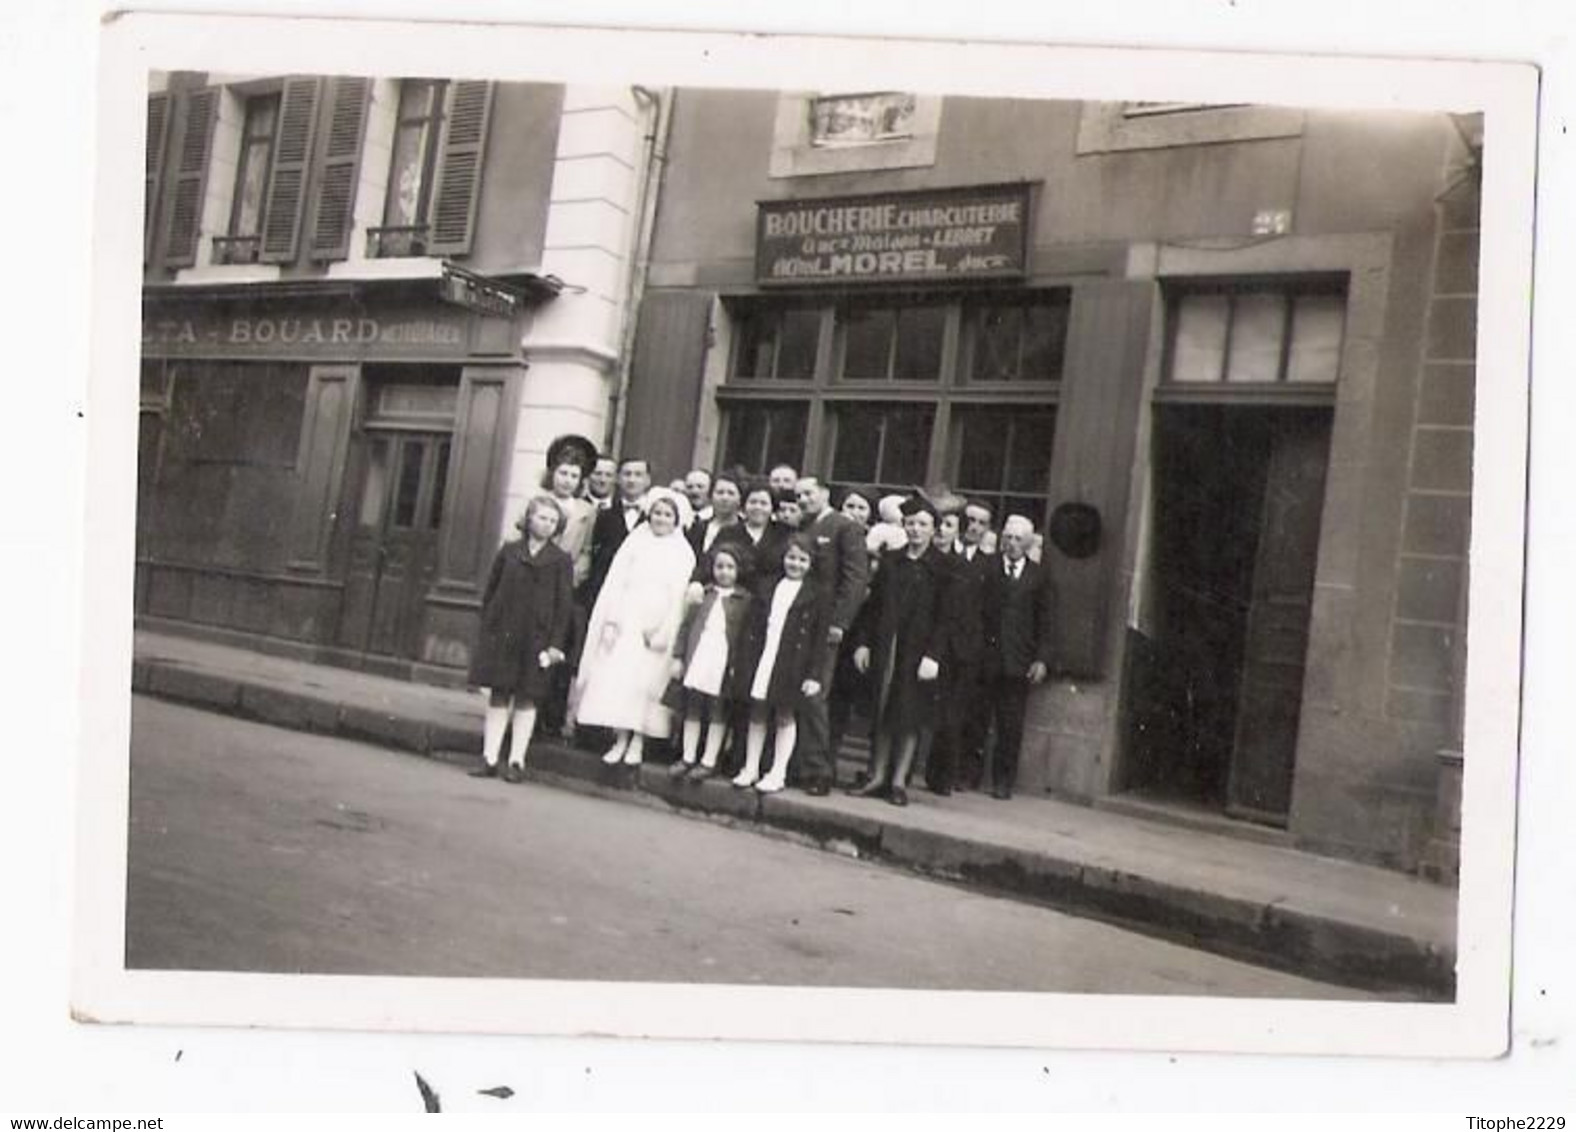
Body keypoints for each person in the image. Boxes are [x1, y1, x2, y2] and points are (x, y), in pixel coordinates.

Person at [575, 489, 696, 766]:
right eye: (657, 513)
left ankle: (638, 742)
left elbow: (679, 597)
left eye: (667, 515)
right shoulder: (635, 542)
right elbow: (617, 583)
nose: (661, 519)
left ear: (676, 519)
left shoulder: (682, 551)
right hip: (628, 618)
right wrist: (612, 620)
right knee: (622, 679)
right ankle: (620, 738)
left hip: (657, 623)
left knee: (647, 683)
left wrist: (664, 630)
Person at [850, 496, 953, 806]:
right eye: (910, 524)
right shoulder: (892, 561)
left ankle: (898, 781)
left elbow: (947, 616)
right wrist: (864, 643)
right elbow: (873, 607)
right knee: (883, 710)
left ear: (933, 529)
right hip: (887, 646)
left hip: (918, 652)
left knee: (909, 714)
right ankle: (878, 775)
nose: (916, 530)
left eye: (922, 524)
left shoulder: (943, 567)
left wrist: (933, 655)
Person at [466, 496, 574, 783]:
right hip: (505, 633)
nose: (547, 524)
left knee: (527, 698)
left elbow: (563, 607)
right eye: (542, 518)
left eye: (553, 521)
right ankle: (489, 757)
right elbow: (492, 590)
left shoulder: (561, 560)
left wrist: (555, 644)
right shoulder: (509, 551)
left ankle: (516, 761)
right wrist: (489, 626)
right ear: (528, 519)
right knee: (499, 693)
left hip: (536, 638)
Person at [732, 535, 830, 793]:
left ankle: (778, 771)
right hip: (764, 654)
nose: (795, 564)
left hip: (792, 661)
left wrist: (814, 675)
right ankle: (751, 767)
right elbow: (752, 625)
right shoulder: (767, 586)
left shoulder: (817, 594)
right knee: (758, 710)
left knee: (785, 713)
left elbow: (819, 640)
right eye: (791, 558)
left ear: (810, 563)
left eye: (802, 559)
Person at [791, 475, 870, 795]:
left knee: (815, 695)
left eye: (809, 493)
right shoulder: (805, 527)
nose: (803, 500)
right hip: (802, 621)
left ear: (824, 493)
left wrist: (840, 622)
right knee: (798, 692)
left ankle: (819, 771)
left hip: (827, 624)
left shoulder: (843, 526)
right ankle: (796, 764)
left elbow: (855, 578)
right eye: (799, 495)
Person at [980, 515, 1055, 800]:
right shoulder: (988, 568)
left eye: (1017, 540)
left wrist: (1041, 659)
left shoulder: (1039, 576)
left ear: (1028, 544)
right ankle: (967, 774)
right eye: (1007, 538)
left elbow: (1046, 621)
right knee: (976, 717)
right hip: (986, 657)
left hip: (1018, 662)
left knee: (1010, 726)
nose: (1011, 544)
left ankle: (1003, 781)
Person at [667, 543, 754, 780]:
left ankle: (709, 760)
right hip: (700, 654)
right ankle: (688, 756)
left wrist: (739, 666)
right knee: (693, 707)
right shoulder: (703, 594)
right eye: (719, 567)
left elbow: (745, 636)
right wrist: (678, 656)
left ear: (738, 570)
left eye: (730, 567)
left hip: (723, 659)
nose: (724, 572)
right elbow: (686, 627)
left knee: (718, 710)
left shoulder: (745, 599)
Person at [927, 498, 994, 795]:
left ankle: (945, 776)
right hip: (935, 646)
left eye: (982, 523)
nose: (974, 527)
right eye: (970, 521)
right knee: (932, 710)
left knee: (956, 713)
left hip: (968, 651)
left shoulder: (988, 565)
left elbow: (991, 612)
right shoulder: (941, 556)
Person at [538, 455, 598, 739]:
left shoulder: (586, 510)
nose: (567, 480)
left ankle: (552, 717)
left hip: (567, 582)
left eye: (574, 476)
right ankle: (528, 714)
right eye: (563, 474)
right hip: (538, 582)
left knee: (560, 650)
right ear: (553, 475)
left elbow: (586, 548)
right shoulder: (539, 502)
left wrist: (577, 573)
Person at [584, 457, 652, 609]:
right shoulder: (603, 515)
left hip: (640, 595)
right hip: (604, 593)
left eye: (638, 475)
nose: (632, 480)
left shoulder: (655, 517)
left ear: (647, 480)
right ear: (618, 479)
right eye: (627, 474)